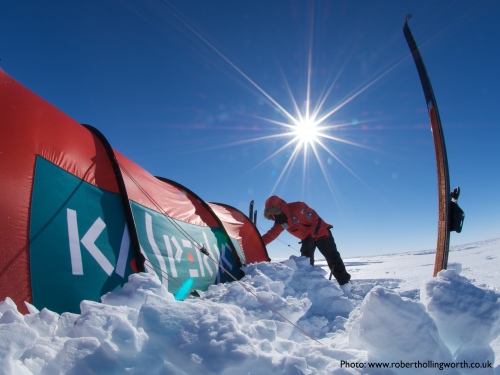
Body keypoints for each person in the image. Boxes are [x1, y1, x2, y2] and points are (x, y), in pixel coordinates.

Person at [261, 195, 351, 286]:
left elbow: (315, 219)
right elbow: (271, 235)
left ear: (280, 208)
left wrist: (313, 235)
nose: (274, 217)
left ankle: (345, 283)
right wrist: (259, 243)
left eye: (274, 213)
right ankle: (310, 285)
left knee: (332, 257)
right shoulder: (281, 221)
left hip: (322, 233)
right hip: (307, 238)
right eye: (272, 216)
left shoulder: (297, 208)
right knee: (305, 261)